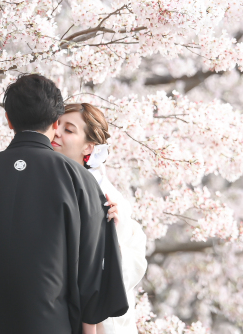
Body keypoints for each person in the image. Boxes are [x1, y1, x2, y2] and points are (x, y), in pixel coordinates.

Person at [0, 75, 129, 334]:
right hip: (52, 323)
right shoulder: (80, 180)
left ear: (8, 119)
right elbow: (91, 271)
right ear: (55, 122)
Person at [52, 103, 148, 334]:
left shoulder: (107, 197)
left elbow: (125, 262)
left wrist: (113, 230)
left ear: (88, 147)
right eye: (57, 125)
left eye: (69, 129)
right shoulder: (47, 175)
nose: (57, 132)